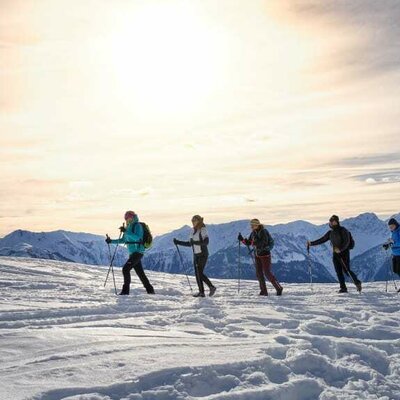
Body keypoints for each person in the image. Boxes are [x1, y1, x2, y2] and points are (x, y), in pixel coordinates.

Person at [307, 215, 361, 293]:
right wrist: (311, 243)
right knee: (338, 271)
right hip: (335, 254)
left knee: (346, 270)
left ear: (337, 222)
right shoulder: (330, 233)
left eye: (333, 221)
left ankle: (357, 282)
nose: (332, 223)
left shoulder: (343, 230)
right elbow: (322, 239)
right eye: (331, 221)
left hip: (344, 253)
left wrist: (340, 249)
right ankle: (343, 288)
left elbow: (347, 242)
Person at [106, 211, 154, 295]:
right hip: (132, 253)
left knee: (125, 269)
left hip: (138, 251)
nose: (127, 219)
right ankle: (150, 290)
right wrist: (111, 241)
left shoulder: (137, 226)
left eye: (129, 217)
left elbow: (137, 238)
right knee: (140, 273)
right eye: (126, 217)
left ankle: (125, 291)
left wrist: (126, 231)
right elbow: (123, 240)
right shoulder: (128, 227)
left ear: (133, 217)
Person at [173, 215, 216, 298]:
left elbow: (206, 242)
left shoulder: (203, 229)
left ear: (199, 221)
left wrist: (195, 243)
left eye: (194, 220)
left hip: (203, 254)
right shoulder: (193, 231)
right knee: (197, 274)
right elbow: (190, 244)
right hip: (196, 254)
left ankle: (211, 287)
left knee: (199, 273)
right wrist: (178, 242)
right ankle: (202, 292)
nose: (193, 222)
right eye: (192, 220)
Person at [238, 219, 282, 296]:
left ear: (256, 225)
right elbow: (249, 242)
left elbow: (263, 242)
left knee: (267, 272)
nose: (251, 227)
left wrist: (252, 242)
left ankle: (278, 288)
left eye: (252, 225)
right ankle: (263, 291)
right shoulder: (253, 233)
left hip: (265, 254)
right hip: (257, 254)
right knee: (259, 273)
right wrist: (242, 240)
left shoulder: (264, 232)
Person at [384, 218, 400, 290]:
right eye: (390, 227)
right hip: (395, 254)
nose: (391, 228)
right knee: (395, 270)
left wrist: (392, 243)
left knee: (399, 270)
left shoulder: (399, 231)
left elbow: (397, 242)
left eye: (392, 226)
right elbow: (393, 241)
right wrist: (388, 244)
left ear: (395, 225)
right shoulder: (393, 232)